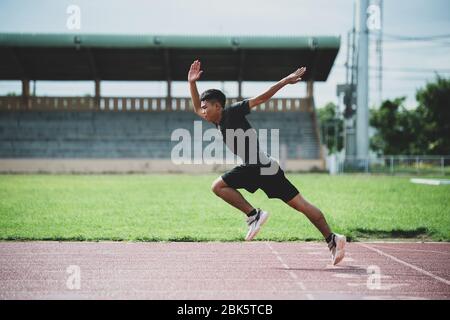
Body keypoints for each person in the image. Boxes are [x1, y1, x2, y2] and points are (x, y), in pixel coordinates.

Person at [188, 60, 346, 265]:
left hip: (256, 165)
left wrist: (286, 81)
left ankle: (254, 215)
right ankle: (333, 238)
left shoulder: (232, 112)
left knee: (217, 186)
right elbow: (195, 108)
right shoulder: (217, 121)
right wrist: (192, 83)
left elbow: (261, 97)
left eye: (206, 106)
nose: (202, 111)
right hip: (267, 167)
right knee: (301, 204)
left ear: (217, 106)